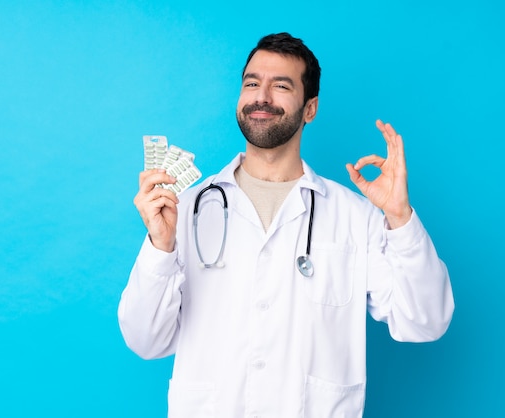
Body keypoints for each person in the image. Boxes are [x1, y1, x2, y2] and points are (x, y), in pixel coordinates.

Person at [118, 32, 454, 417]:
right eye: (251, 83)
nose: (262, 96)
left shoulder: (354, 217)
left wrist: (399, 217)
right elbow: (145, 340)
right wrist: (160, 247)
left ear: (310, 109)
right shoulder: (186, 208)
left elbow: (425, 321)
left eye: (280, 86)